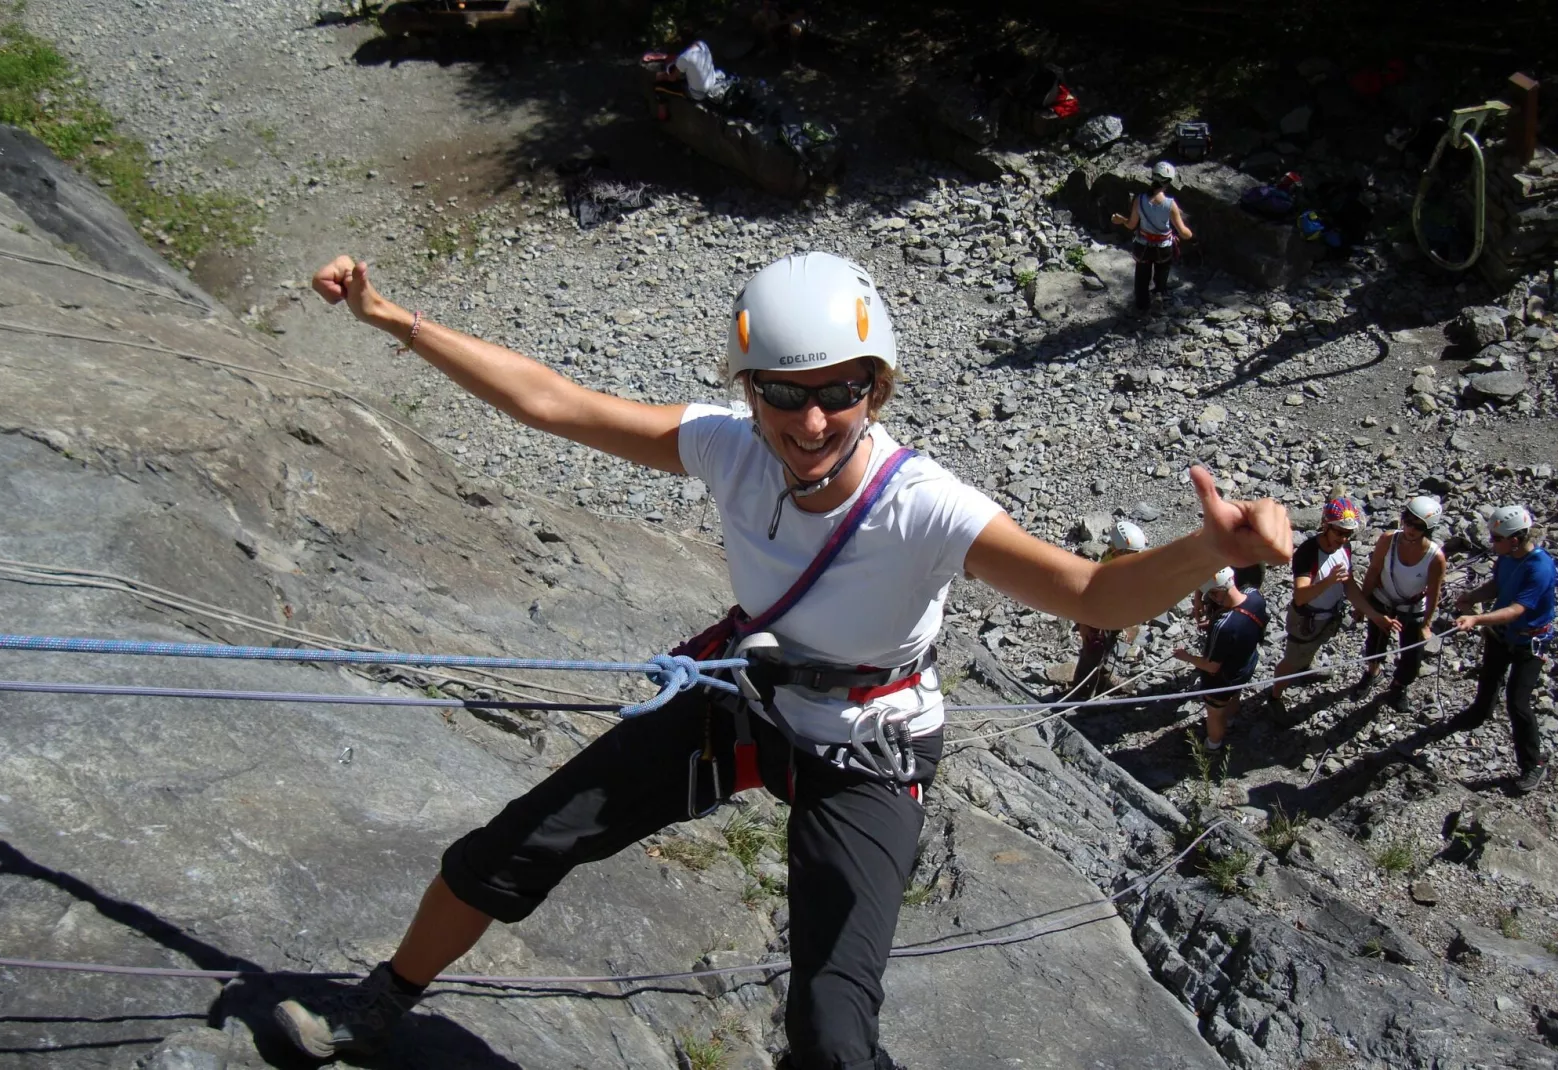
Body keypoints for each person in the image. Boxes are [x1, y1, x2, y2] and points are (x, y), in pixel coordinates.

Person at [274, 251, 1292, 1069]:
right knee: (510, 847)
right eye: (782, 394)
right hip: (746, 699)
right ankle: (380, 1003)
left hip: (871, 740)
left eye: (839, 391)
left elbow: (1087, 592)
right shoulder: (728, 445)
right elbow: (551, 401)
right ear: (749, 390)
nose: (810, 422)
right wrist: (392, 318)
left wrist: (1209, 550)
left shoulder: (920, 502)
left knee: (832, 1033)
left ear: (877, 386)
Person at [1448, 505, 1555, 795]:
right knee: (1489, 678)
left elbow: (1516, 609)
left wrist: (1476, 618)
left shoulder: (1540, 568)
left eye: (1496, 538)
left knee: (1518, 702)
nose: (1492, 543)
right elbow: (1497, 586)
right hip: (1501, 635)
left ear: (1516, 539)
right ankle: (1478, 714)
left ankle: (1533, 763)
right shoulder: (1507, 557)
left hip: (1529, 641)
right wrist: (1471, 596)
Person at [1266, 496, 1387, 718]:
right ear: (1326, 526)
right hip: (1306, 619)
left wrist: (1374, 615)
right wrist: (1328, 581)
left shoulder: (1345, 547)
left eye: (1347, 533)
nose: (1343, 538)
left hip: (1328, 616)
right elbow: (1300, 596)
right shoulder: (1308, 552)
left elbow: (1348, 585)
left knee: (1312, 648)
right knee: (1291, 660)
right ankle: (1274, 695)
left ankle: (1305, 669)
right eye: (1339, 532)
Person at [1353, 495, 1447, 712]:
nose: (1410, 528)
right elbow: (1374, 571)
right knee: (1375, 643)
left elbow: (1434, 593)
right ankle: (1372, 673)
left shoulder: (1435, 557)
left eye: (1418, 525)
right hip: (1383, 598)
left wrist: (1426, 624)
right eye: (1408, 521)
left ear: (1428, 529)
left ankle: (1399, 686)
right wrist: (1362, 604)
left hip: (1412, 608)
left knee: (1412, 656)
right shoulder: (1388, 540)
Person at [1173, 567, 1269, 751]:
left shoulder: (1223, 626)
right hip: (1247, 664)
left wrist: (1186, 657)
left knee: (1214, 713)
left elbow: (1212, 666)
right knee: (1234, 694)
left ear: (1217, 594)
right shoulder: (1255, 595)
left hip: (1222, 679)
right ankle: (1231, 720)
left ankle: (1212, 745)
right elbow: (1245, 619)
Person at [1071, 520, 1147, 696]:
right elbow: (1089, 598)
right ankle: (1081, 695)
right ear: (1120, 550)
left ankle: (1098, 678)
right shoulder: (1105, 571)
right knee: (1092, 655)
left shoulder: (1119, 559)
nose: (1136, 556)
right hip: (1096, 622)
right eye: (1131, 552)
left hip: (1110, 618)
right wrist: (1084, 625)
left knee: (1103, 651)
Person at [1111, 161, 1193, 313]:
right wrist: (1190, 233)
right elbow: (1184, 233)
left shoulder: (1140, 199)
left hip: (1143, 246)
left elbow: (1131, 225)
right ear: (1168, 182)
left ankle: (1141, 306)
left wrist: (1121, 220)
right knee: (1161, 274)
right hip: (1164, 248)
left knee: (1142, 277)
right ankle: (1159, 296)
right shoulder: (1170, 204)